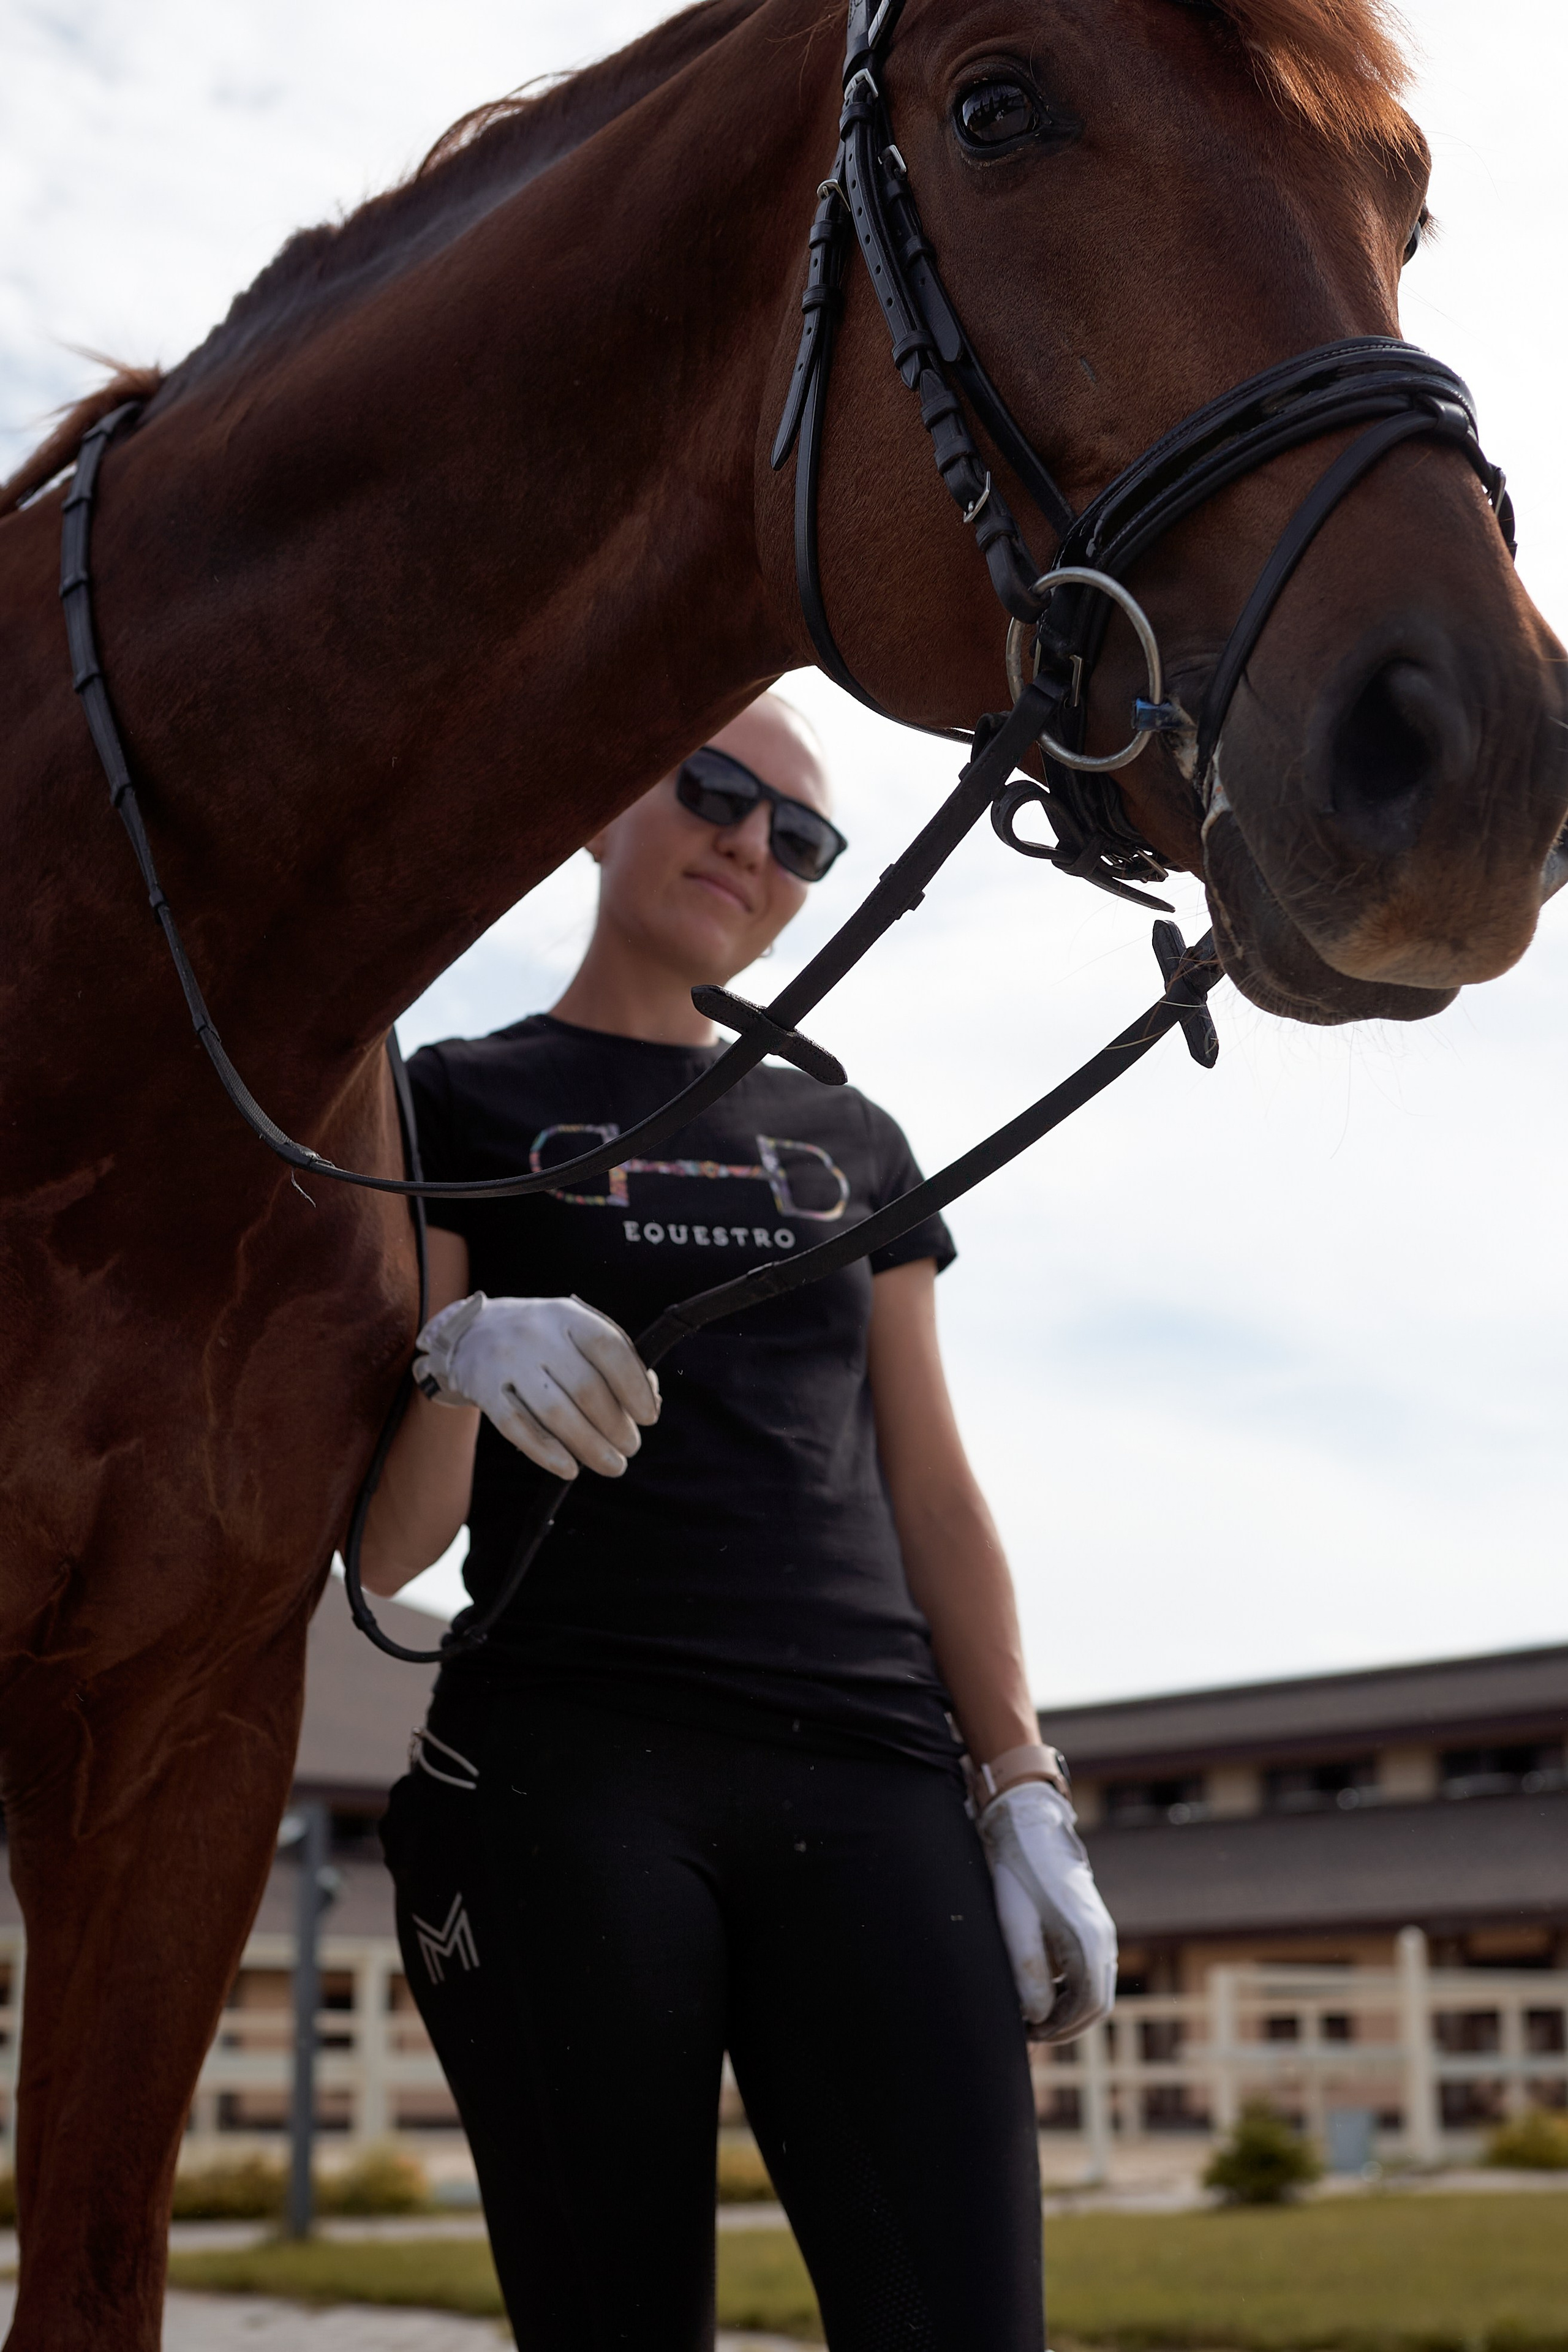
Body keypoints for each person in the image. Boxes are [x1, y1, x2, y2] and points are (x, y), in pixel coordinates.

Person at [363, 692, 1115, 2351]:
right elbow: (389, 1551)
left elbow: (931, 1481)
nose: (750, 842)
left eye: (803, 836)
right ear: (598, 800)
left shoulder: (853, 1138)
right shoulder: (446, 1100)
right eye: (710, 787)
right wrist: (454, 1351)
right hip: (568, 1771)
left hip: (872, 1772)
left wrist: (1021, 1786)